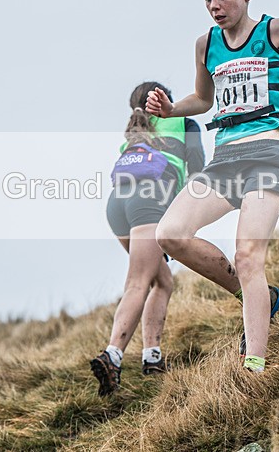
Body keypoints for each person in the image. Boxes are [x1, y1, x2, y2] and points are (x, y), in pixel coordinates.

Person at [146, 0, 279, 373]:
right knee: (170, 234)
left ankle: (254, 367)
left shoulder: (274, 30)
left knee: (249, 255)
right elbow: (202, 100)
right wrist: (168, 110)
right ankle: (259, 296)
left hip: (269, 155)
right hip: (225, 159)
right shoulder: (206, 45)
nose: (215, 6)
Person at [91, 82, 205, 397]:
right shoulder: (185, 123)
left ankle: (152, 357)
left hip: (117, 207)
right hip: (149, 203)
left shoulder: (133, 132)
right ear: (165, 99)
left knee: (162, 282)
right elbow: (197, 170)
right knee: (138, 282)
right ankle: (112, 355)